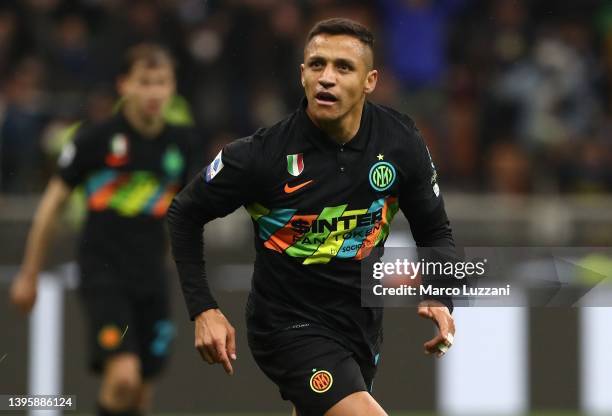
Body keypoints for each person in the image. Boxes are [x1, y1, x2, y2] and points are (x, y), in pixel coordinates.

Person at [168, 18, 457, 416]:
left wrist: (440, 294)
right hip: (287, 326)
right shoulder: (261, 156)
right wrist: (204, 309)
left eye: (343, 67)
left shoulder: (400, 141)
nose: (327, 78)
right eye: (317, 65)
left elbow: (434, 229)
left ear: (370, 81)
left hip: (359, 326)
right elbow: (184, 213)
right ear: (302, 73)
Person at [10, 44, 197, 416]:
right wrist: (29, 274)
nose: (153, 92)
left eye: (161, 82)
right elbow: (51, 207)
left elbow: (188, 216)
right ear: (124, 84)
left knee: (141, 392)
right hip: (103, 273)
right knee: (123, 377)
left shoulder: (182, 144)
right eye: (144, 82)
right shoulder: (94, 140)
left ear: (173, 86)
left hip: (152, 277)